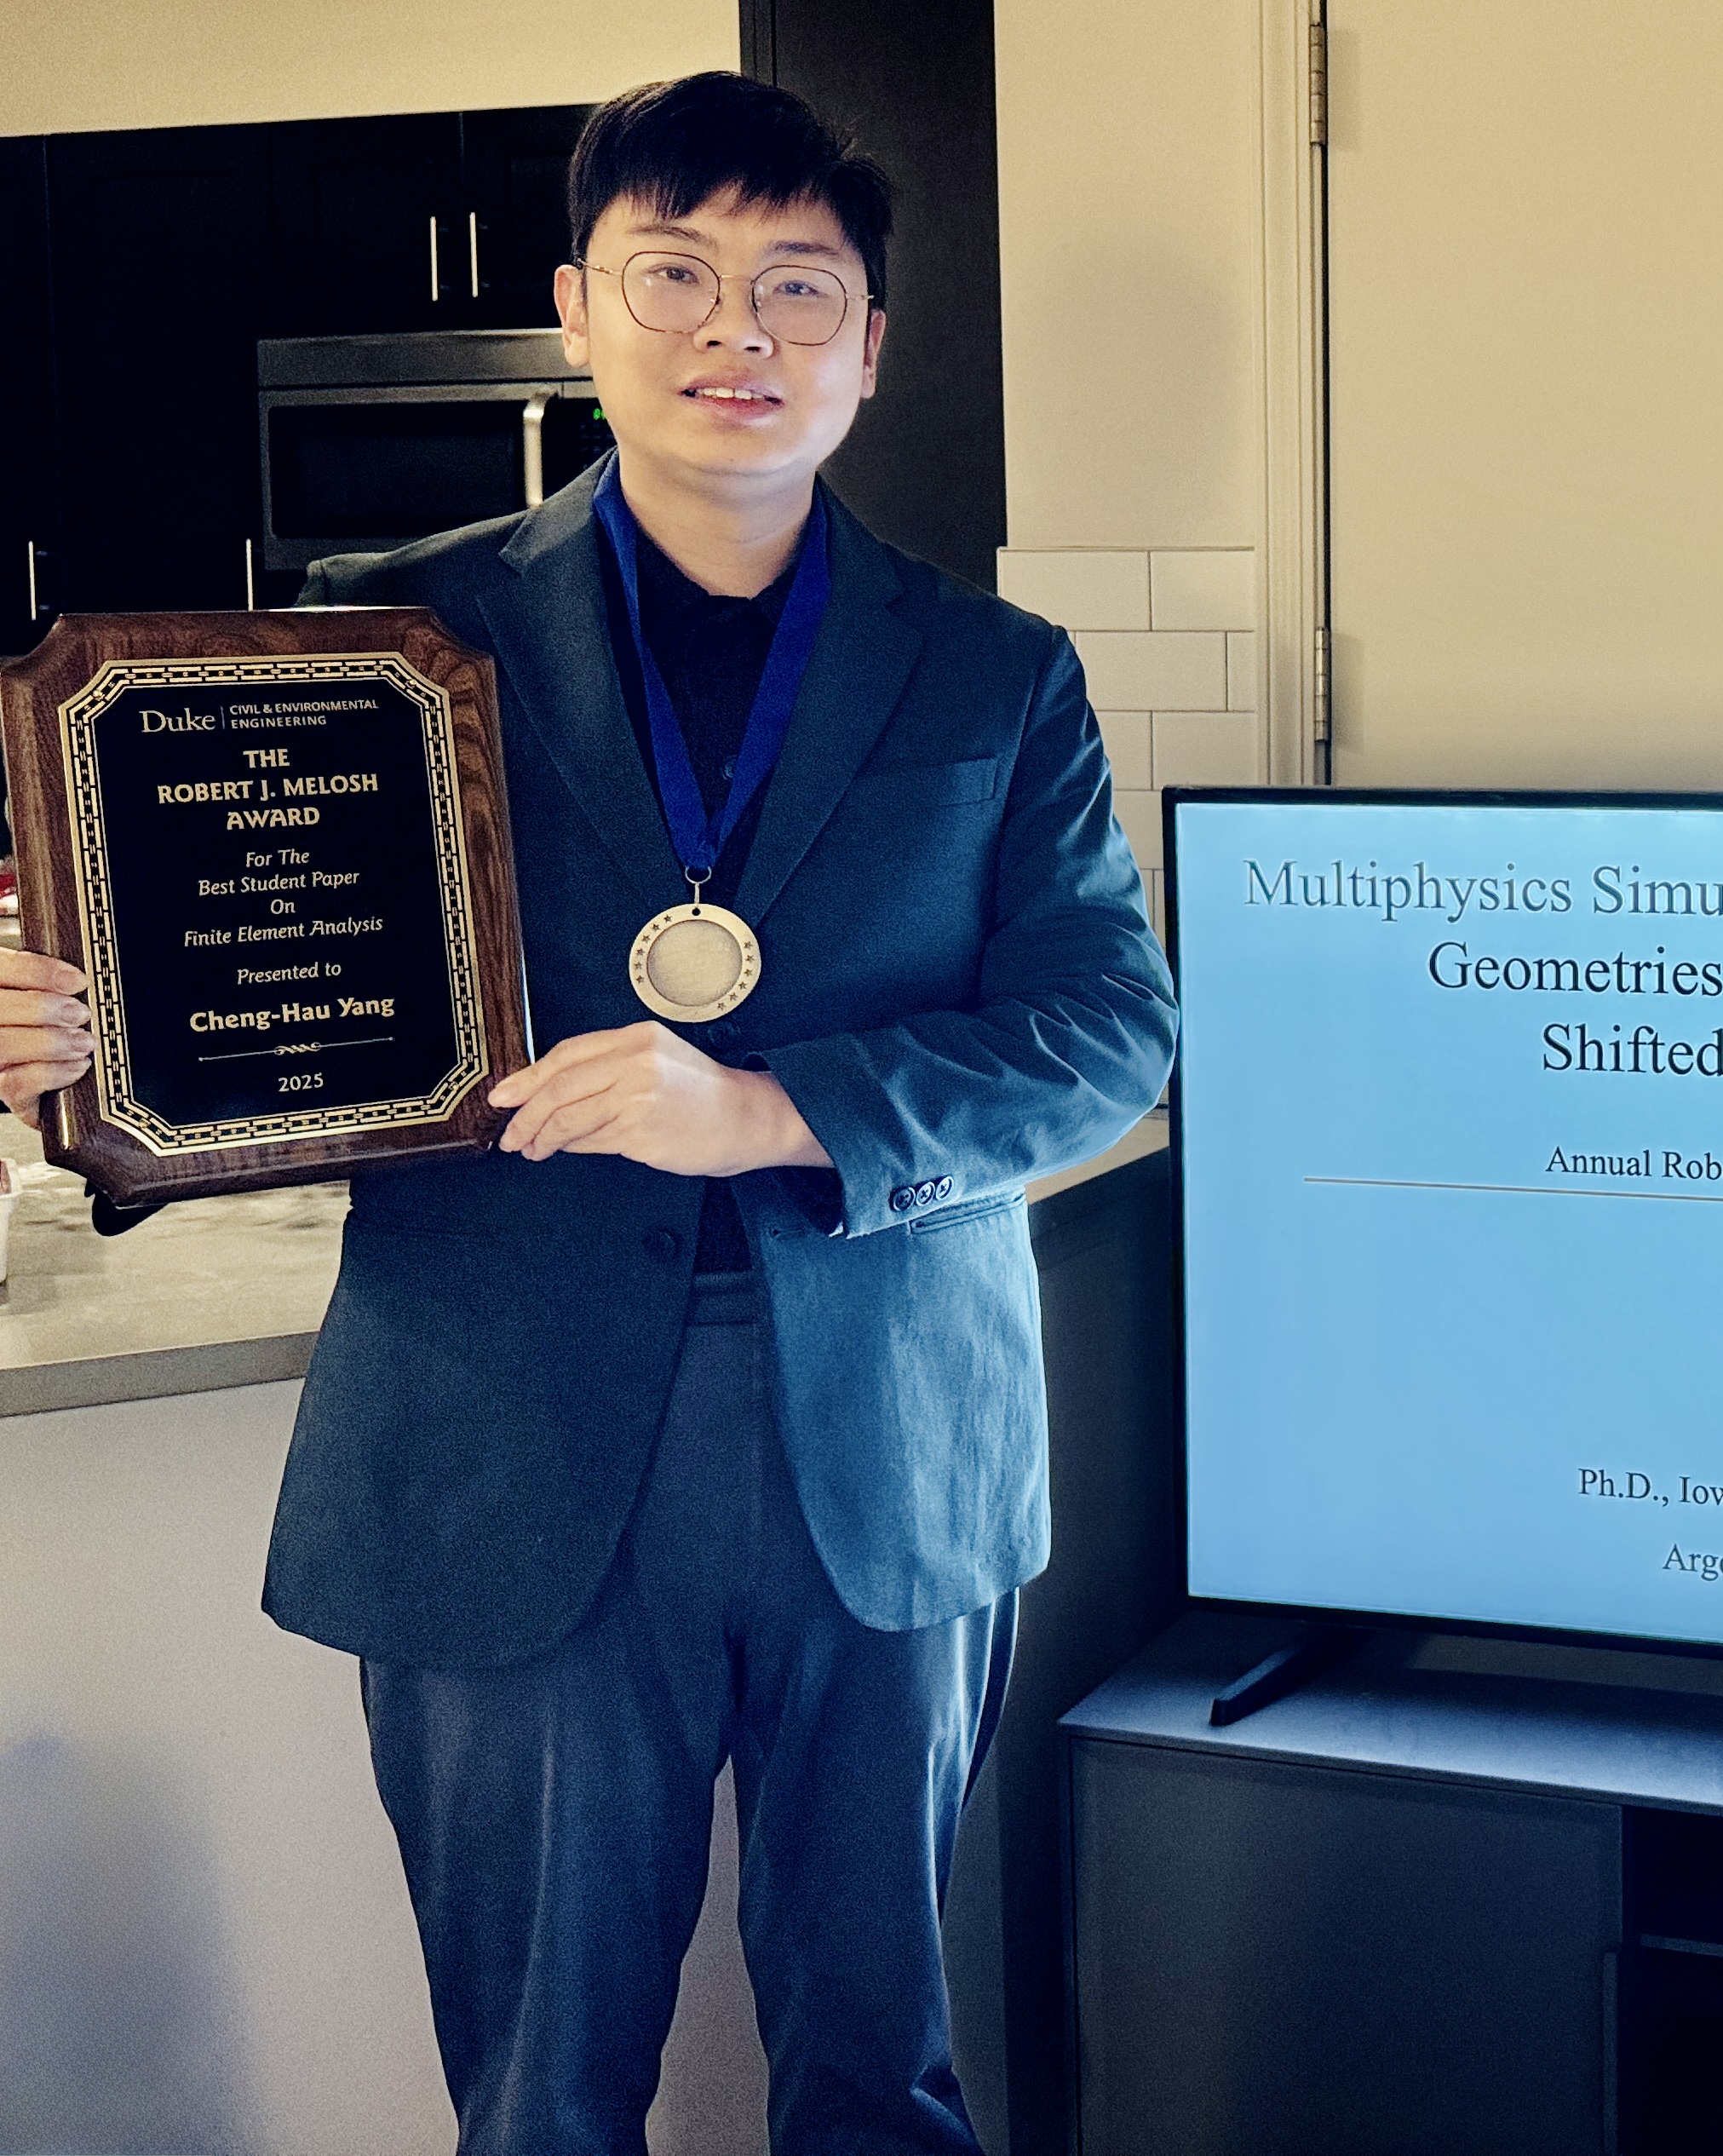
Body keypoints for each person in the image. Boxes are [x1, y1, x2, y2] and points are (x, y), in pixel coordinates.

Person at [0, 72, 1175, 2153]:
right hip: (506, 1424)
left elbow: (1107, 1033)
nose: (742, 333)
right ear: (573, 307)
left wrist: (777, 1109)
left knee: (882, 2083)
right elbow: (253, 971)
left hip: (889, 1440)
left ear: (869, 344)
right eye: (677, 275)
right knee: (538, 2097)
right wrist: (93, 1037)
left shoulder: (997, 676)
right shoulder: (379, 634)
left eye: (797, 289)